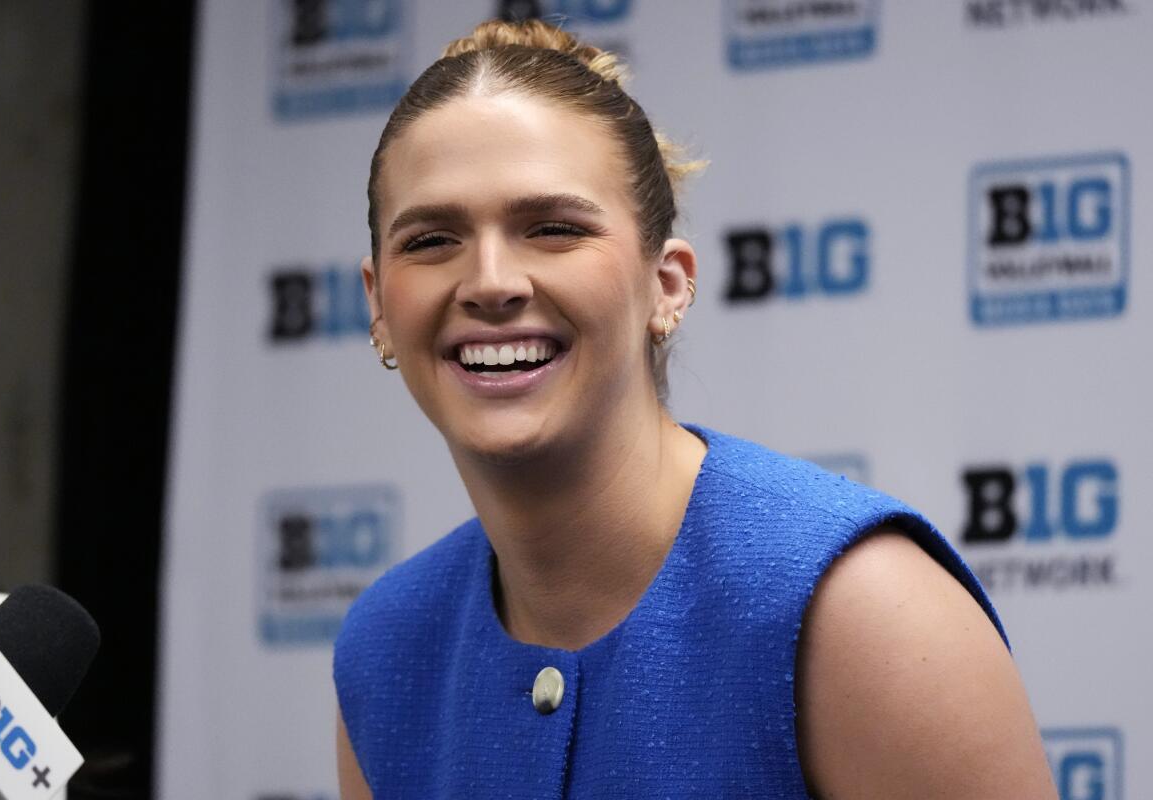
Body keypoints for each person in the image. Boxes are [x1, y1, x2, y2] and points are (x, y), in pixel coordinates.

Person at [333, 18, 1055, 799]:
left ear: (667, 284)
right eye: (432, 240)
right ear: (379, 305)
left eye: (552, 228)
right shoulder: (386, 648)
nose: (491, 281)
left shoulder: (862, 609)